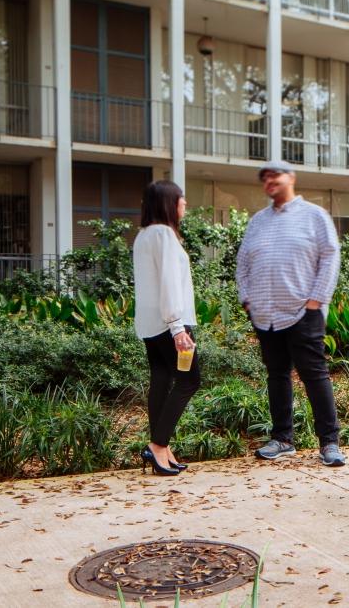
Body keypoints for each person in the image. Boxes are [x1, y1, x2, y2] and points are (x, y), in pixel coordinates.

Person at [237, 160, 346, 467]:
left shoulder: (314, 215)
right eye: (265, 177)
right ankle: (283, 439)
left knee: (315, 376)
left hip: (303, 312)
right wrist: (247, 299)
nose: (269, 180)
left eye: (275, 175)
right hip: (265, 315)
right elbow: (243, 262)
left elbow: (330, 256)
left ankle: (329, 443)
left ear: (291, 178)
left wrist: (316, 300)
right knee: (277, 375)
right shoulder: (258, 220)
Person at [133, 180, 200, 476]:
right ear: (168, 204)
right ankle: (158, 444)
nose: (184, 204)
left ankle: (162, 449)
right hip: (170, 323)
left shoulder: (144, 236)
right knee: (189, 381)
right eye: (181, 199)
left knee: (161, 379)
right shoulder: (164, 235)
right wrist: (177, 327)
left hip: (150, 323)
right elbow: (170, 283)